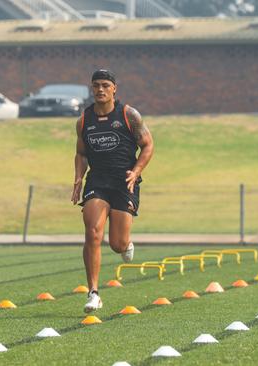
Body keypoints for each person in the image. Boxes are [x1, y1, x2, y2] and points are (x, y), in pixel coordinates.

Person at [71, 70, 154, 313]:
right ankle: (94, 293)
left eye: (105, 85)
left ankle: (125, 245)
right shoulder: (84, 120)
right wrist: (78, 177)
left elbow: (148, 145)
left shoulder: (129, 115)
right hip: (97, 181)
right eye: (96, 85)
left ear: (114, 89)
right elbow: (81, 153)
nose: (100, 89)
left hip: (124, 182)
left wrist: (136, 171)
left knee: (117, 244)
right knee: (93, 232)